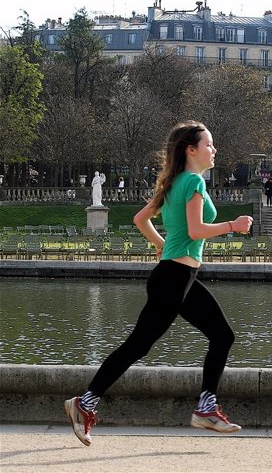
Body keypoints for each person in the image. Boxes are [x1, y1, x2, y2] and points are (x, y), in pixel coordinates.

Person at [64, 120, 253, 446]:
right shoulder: (193, 182)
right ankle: (86, 401)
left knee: (220, 336)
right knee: (139, 345)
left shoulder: (173, 182)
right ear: (191, 150)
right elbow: (196, 230)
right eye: (208, 144)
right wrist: (233, 226)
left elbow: (141, 219)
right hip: (175, 278)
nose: (214, 150)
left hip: (178, 277)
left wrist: (161, 243)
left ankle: (205, 407)